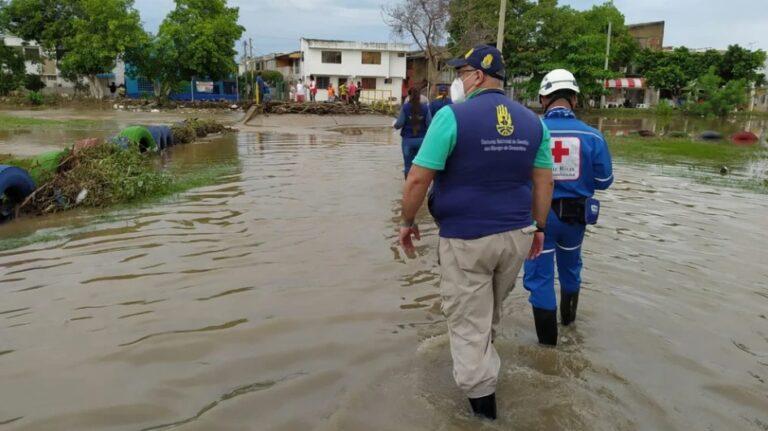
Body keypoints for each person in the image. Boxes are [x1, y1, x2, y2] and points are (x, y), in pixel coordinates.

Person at [398, 44, 554, 420]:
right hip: (517, 235)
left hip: (467, 240)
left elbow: (419, 178)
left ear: (478, 76)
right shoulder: (535, 123)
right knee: (489, 313)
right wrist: (540, 227)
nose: (460, 80)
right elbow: (544, 181)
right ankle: (484, 365)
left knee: (467, 324)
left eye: (463, 73)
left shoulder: (453, 117)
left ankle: (485, 415)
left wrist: (406, 222)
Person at [523, 69, 614, 345]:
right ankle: (570, 325)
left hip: (538, 218)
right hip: (575, 219)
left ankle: (548, 349)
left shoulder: (531, 130)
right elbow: (604, 181)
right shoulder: (594, 137)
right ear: (574, 99)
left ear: (543, 98)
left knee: (540, 277)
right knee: (571, 269)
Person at [394, 87, 432, 178]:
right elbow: (430, 124)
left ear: (409, 96)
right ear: (419, 96)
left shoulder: (405, 107)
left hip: (408, 141)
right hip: (422, 141)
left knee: (407, 166)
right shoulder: (425, 108)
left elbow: (399, 124)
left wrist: (395, 125)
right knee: (421, 166)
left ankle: (408, 188)